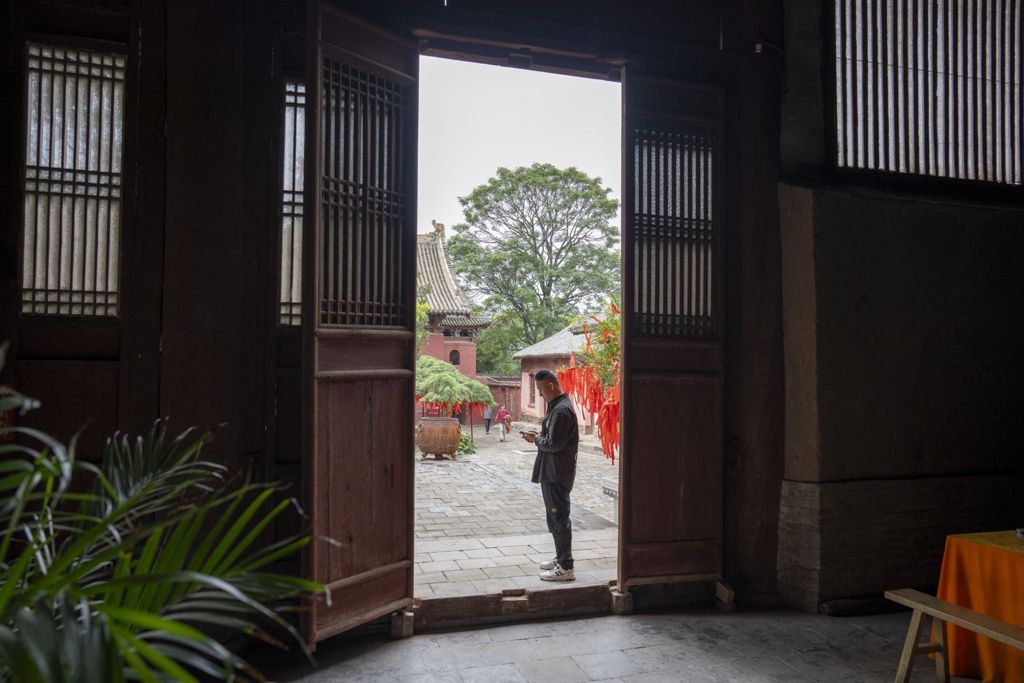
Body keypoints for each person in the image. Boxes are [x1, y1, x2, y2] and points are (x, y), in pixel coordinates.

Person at [521, 369, 578, 581]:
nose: (540, 394)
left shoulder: (562, 411)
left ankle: (566, 567)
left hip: (557, 473)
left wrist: (536, 439)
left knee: (559, 518)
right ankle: (561, 558)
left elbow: (554, 444)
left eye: (541, 390)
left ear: (551, 386)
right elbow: (552, 439)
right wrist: (538, 436)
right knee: (554, 518)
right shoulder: (557, 407)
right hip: (552, 471)